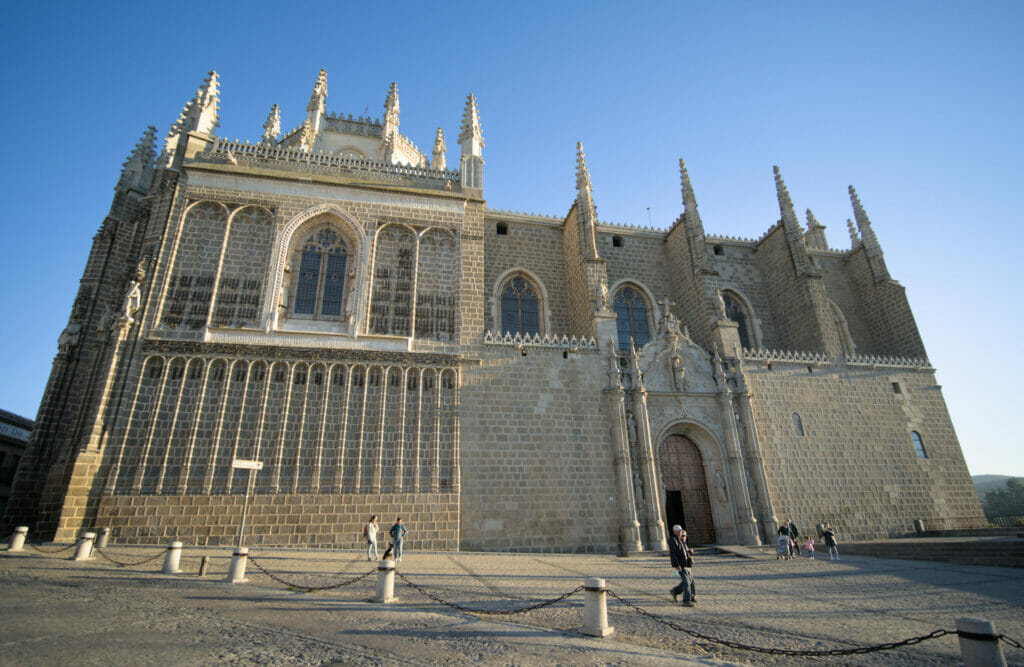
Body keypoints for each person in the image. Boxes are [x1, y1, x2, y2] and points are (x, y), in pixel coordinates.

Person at [668, 525, 696, 606]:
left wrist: (689, 552)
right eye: (679, 531)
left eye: (681, 531)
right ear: (675, 532)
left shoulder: (680, 540)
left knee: (689, 581)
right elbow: (673, 554)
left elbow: (683, 551)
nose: (681, 533)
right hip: (680, 564)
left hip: (686, 563)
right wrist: (676, 565)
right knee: (686, 581)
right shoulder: (673, 540)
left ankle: (676, 591)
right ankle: (686, 600)